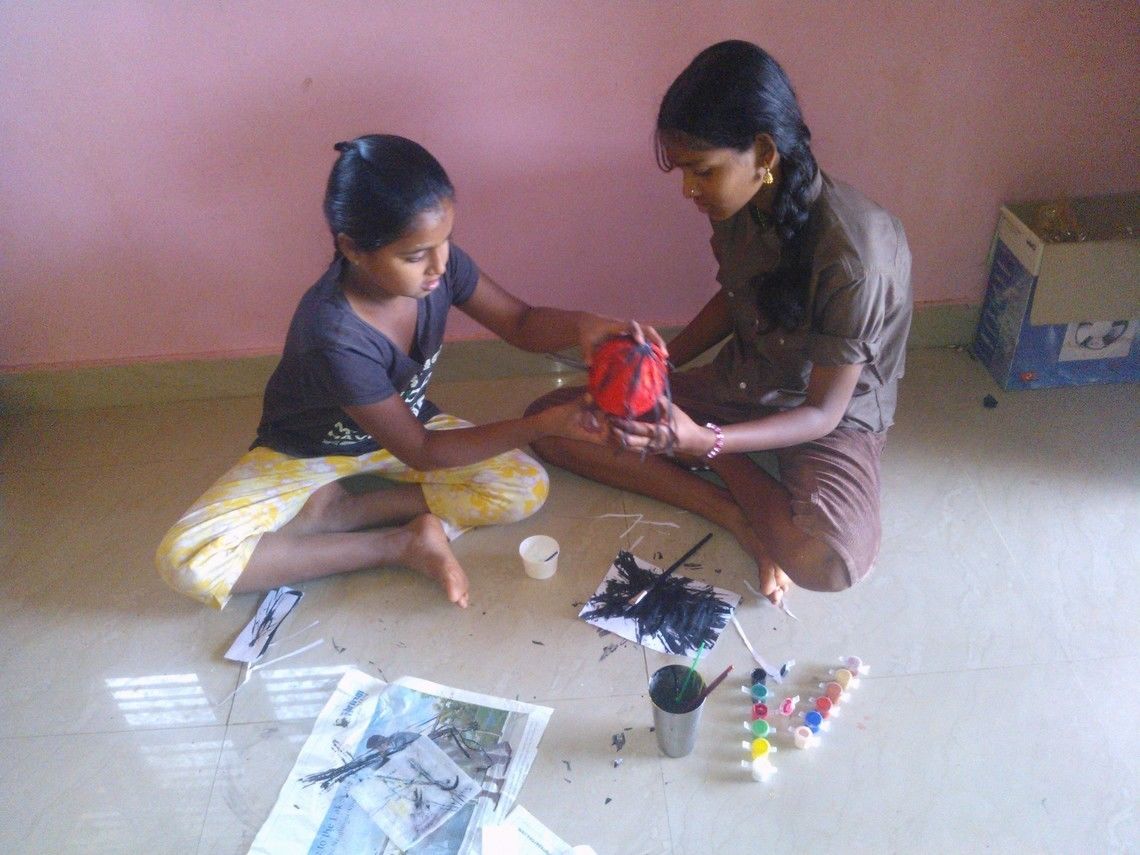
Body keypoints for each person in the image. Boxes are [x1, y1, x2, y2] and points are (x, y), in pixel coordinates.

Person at [156, 134, 646, 610]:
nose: (438, 266)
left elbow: (520, 322)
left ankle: (345, 510)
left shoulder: (438, 268)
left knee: (525, 487)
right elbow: (423, 452)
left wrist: (585, 325)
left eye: (445, 241)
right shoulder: (334, 336)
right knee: (188, 562)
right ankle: (396, 544)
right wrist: (542, 425)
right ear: (352, 248)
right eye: (414, 256)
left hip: (406, 426)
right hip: (308, 451)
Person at [527, 41, 912, 606]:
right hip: (746, 381)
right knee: (551, 425)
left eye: (701, 171)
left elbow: (823, 412)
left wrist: (709, 442)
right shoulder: (739, 203)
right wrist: (659, 365)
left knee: (829, 561)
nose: (689, 189)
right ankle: (733, 511)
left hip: (831, 415)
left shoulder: (856, 256)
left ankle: (720, 459)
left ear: (764, 152)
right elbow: (736, 299)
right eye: (684, 171)